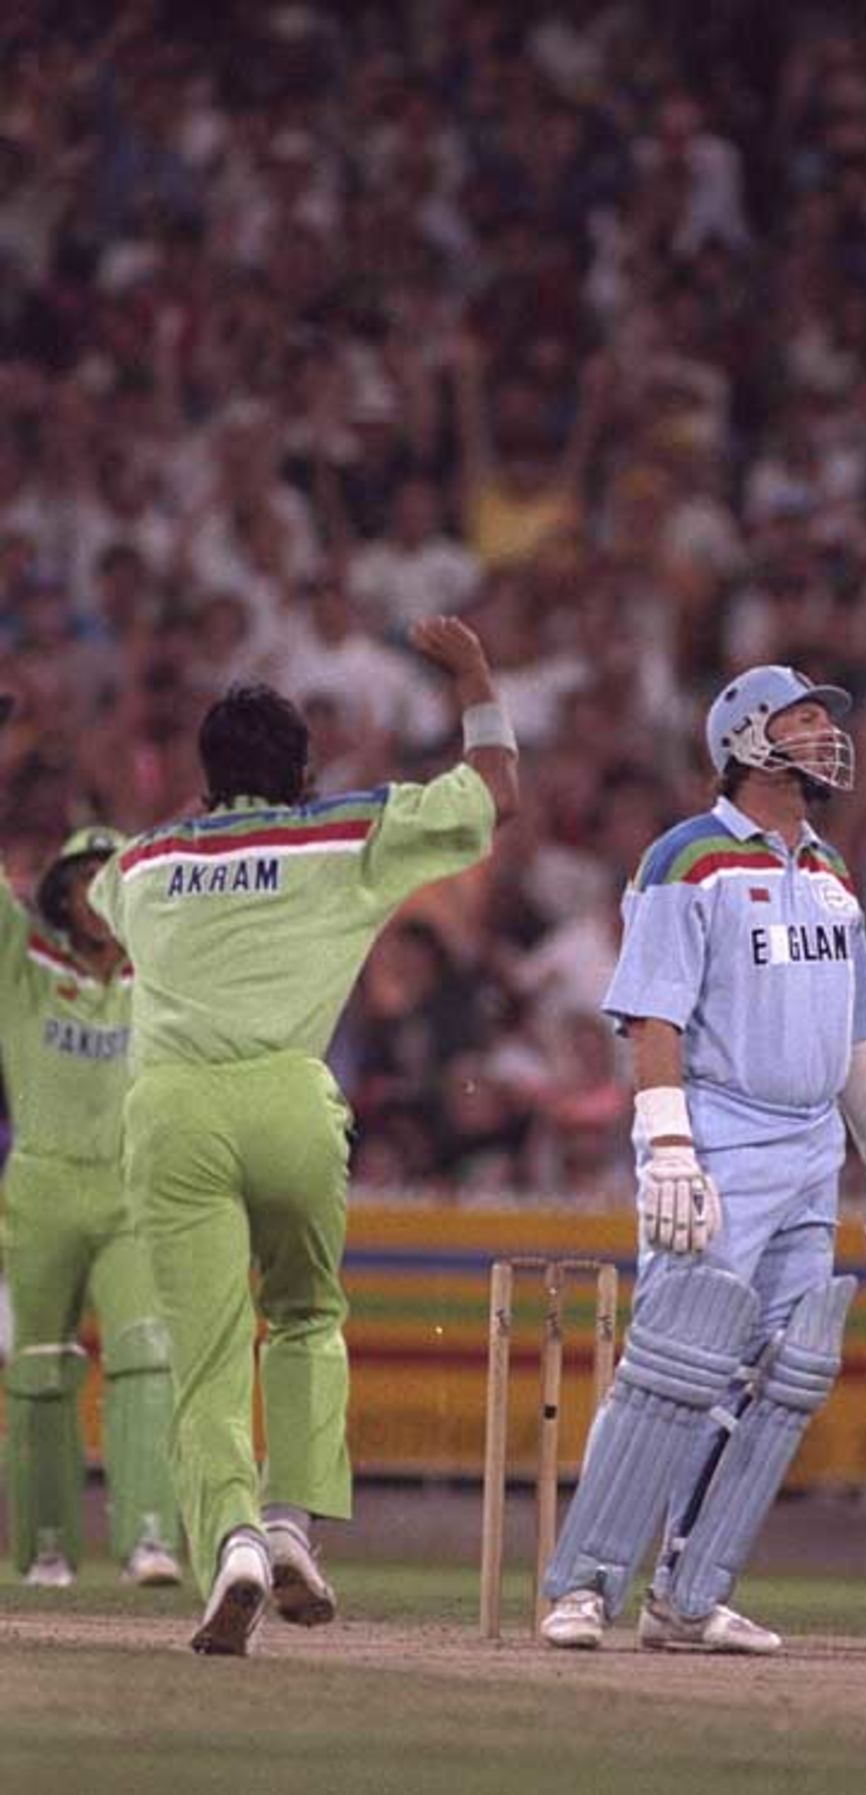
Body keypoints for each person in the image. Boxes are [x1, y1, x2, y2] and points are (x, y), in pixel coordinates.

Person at [87, 617, 518, 1655]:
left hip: (174, 1106)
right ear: (305, 768)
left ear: (204, 778)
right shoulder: (344, 832)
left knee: (204, 1361)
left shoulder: (139, 863)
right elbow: (496, 791)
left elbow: (100, 921)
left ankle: (229, 1539)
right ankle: (290, 1524)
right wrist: (472, 674)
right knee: (308, 1318)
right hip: (289, 1099)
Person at [539, 665, 866, 1653]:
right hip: (715, 1130)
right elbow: (653, 1012)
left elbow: (855, 1029)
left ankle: (690, 1591)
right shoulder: (688, 858)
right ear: (749, 737)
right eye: (802, 719)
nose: (824, 735)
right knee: (678, 1364)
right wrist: (669, 1142)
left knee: (786, 1373)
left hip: (807, 1149)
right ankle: (583, 1585)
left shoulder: (833, 872)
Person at [0, 730, 181, 1590]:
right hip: (39, 1187)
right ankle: (44, 1550)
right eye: (84, 884)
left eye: (115, 881)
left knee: (146, 1353)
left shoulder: (165, 975)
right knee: (37, 1370)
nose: (99, 897)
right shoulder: (22, 968)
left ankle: (149, 1534)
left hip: (132, 1189)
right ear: (61, 899)